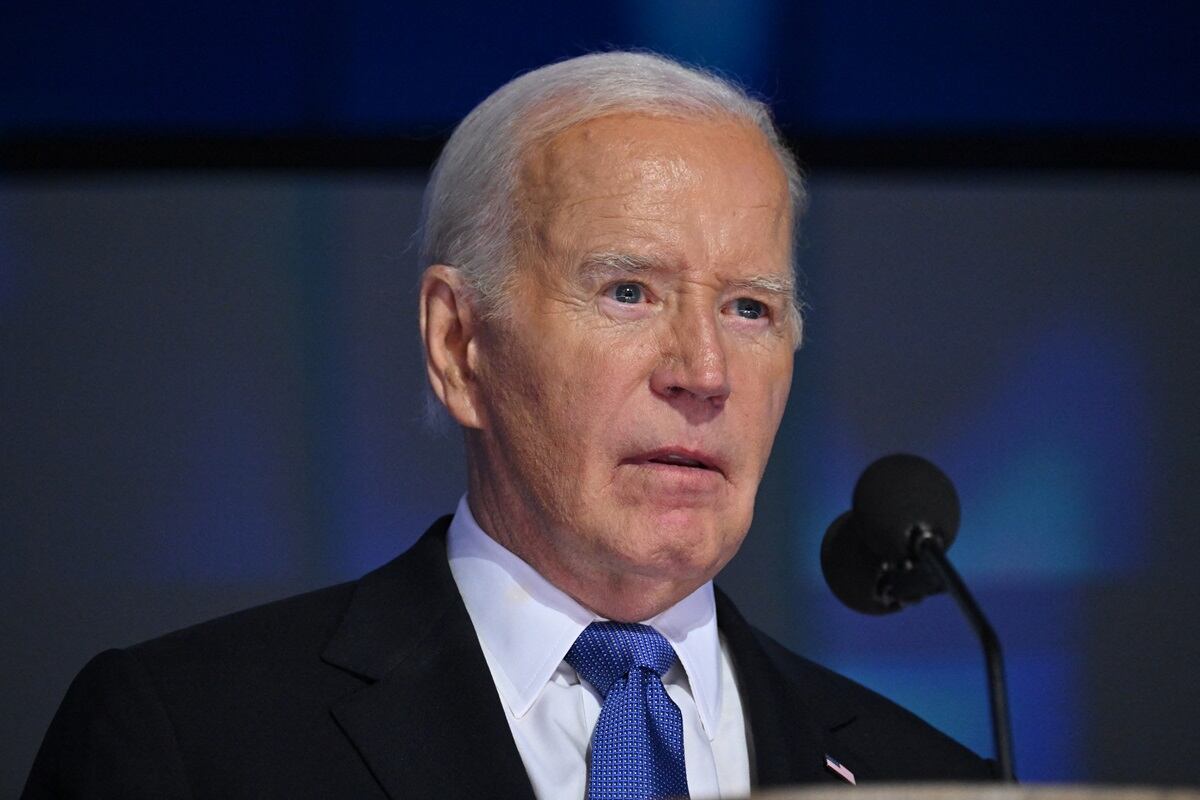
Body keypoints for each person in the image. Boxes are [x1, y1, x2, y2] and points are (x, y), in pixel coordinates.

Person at [23, 51, 993, 799]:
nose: (703, 372)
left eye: (750, 307)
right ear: (459, 344)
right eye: (628, 290)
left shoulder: (934, 778)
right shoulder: (193, 741)